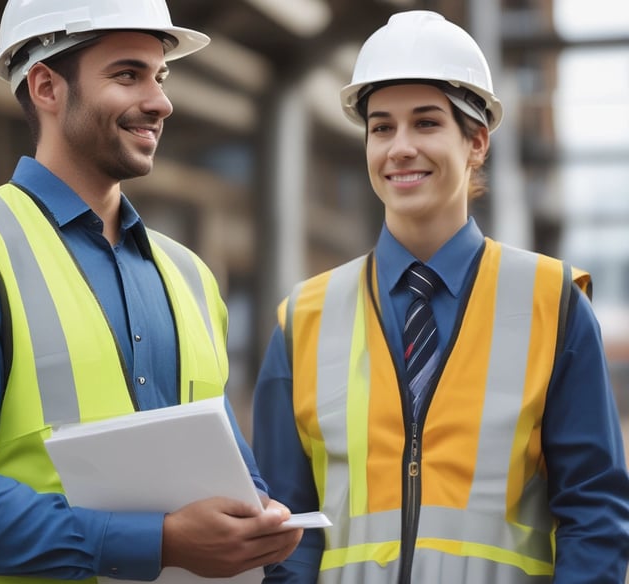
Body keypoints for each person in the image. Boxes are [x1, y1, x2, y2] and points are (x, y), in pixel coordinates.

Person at [0, 1, 302, 582]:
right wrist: (163, 542)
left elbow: (231, 476)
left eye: (160, 76)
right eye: (128, 75)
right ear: (47, 86)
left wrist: (257, 523)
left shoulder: (191, 277)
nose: (160, 101)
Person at [251, 10, 629, 584]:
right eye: (381, 127)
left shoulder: (552, 301)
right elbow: (289, 532)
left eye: (425, 123)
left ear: (476, 142)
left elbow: (595, 512)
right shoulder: (304, 317)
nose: (399, 148)